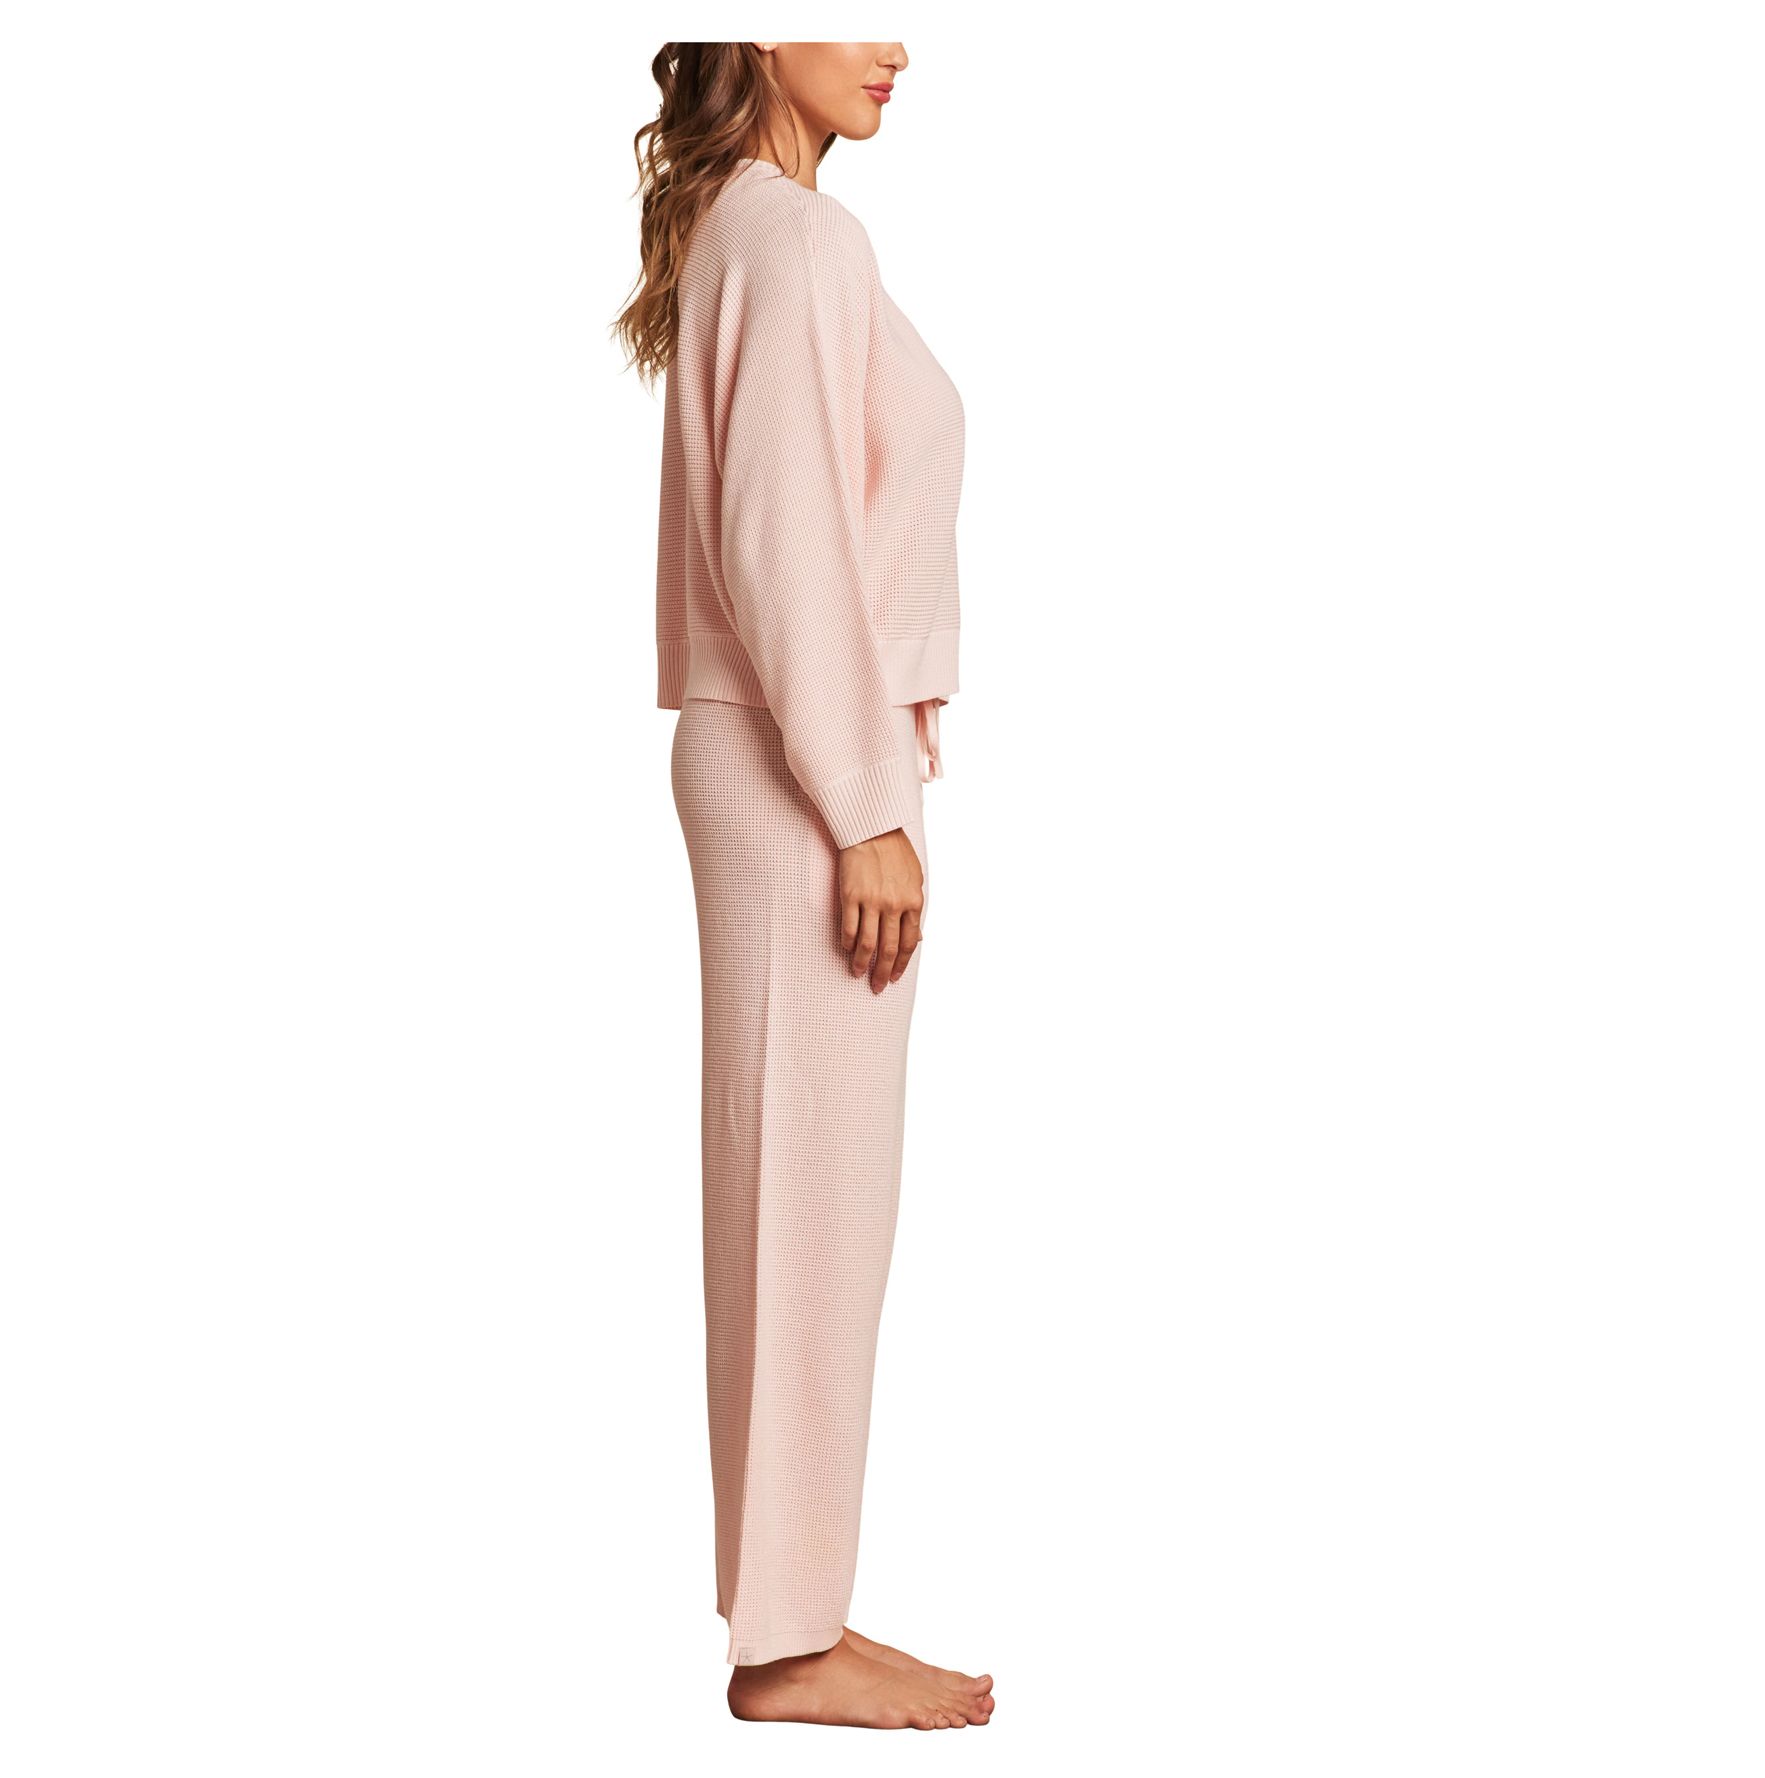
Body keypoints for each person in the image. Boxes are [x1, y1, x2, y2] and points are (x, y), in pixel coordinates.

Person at [617, 43, 988, 1732]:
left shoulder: (757, 232)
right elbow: (783, 540)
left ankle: (795, 1612)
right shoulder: (794, 241)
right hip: (798, 765)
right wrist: (865, 803)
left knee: (813, 1198)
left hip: (785, 750)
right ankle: (787, 1640)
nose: (899, 45)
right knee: (808, 1198)